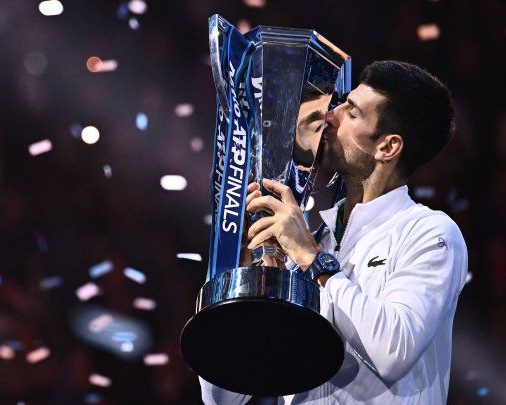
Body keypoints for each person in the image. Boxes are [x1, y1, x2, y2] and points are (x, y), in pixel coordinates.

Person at [199, 60, 468, 404]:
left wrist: (314, 261)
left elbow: (394, 351)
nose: (331, 115)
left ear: (387, 147)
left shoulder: (430, 233)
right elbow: (224, 395)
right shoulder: (315, 239)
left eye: (351, 113)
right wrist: (247, 290)